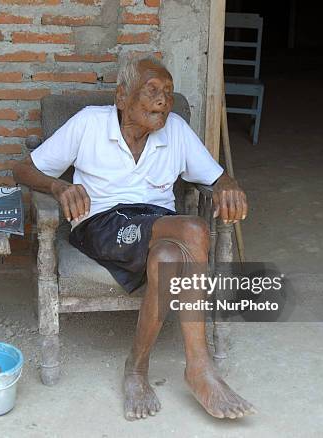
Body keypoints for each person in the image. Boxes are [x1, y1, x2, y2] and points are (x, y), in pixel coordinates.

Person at [13, 55, 255, 420]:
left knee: (170, 259)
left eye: (168, 93)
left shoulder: (174, 128)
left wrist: (229, 185)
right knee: (193, 229)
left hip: (157, 223)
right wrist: (58, 186)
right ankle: (200, 369)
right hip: (102, 222)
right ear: (123, 97)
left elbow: (215, 176)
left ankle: (136, 370)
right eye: (152, 91)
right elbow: (22, 168)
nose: (163, 101)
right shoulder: (90, 124)